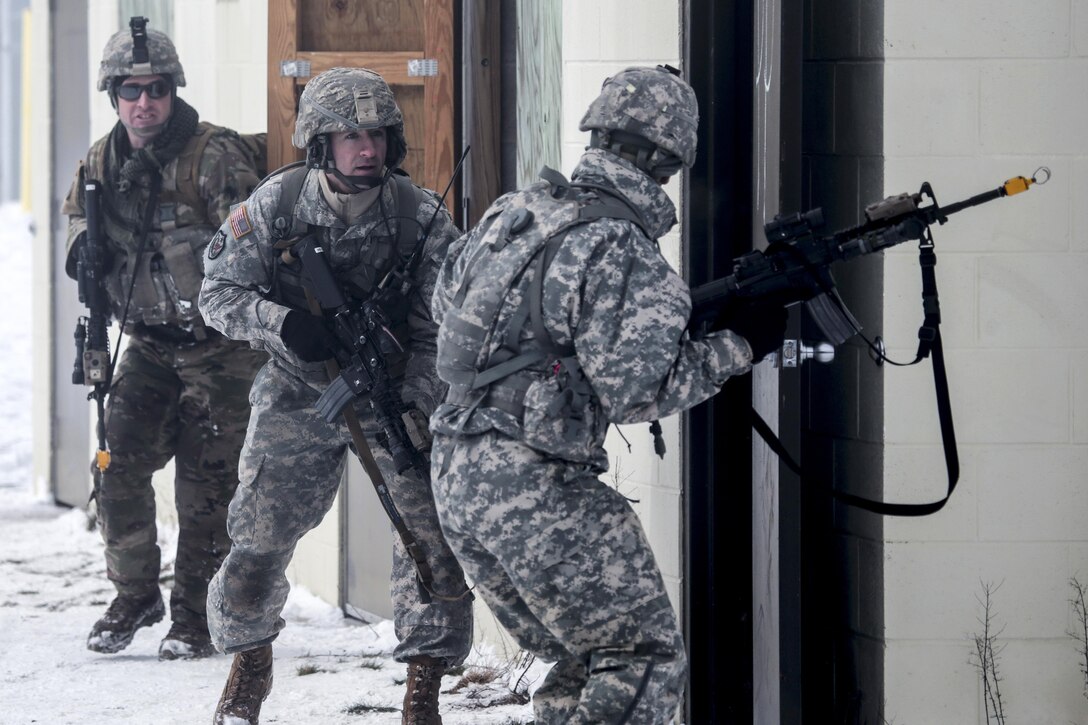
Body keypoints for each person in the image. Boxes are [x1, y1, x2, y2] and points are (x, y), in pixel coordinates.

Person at [429, 65, 787, 723]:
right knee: (642, 659)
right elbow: (637, 391)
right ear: (669, 158)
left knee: (585, 660)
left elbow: (447, 308)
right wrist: (740, 346)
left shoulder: (516, 212)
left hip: (456, 476)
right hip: (536, 489)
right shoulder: (619, 242)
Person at [198, 67, 473, 725]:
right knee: (258, 537)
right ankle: (250, 661)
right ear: (320, 142)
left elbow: (451, 327)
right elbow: (216, 294)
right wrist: (283, 322)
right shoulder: (278, 205)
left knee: (430, 540)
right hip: (299, 390)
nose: (367, 148)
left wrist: (416, 394)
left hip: (395, 393)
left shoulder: (421, 217)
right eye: (349, 135)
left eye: (377, 134)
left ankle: (423, 690)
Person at [62, 18, 266, 661]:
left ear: (173, 90)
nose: (144, 102)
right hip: (149, 344)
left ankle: (195, 617)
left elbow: (258, 244)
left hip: (221, 348)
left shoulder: (213, 156)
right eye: (130, 91)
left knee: (206, 488)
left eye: (155, 89)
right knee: (116, 467)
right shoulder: (100, 161)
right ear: (113, 96)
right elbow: (76, 218)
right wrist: (81, 254)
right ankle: (134, 593)